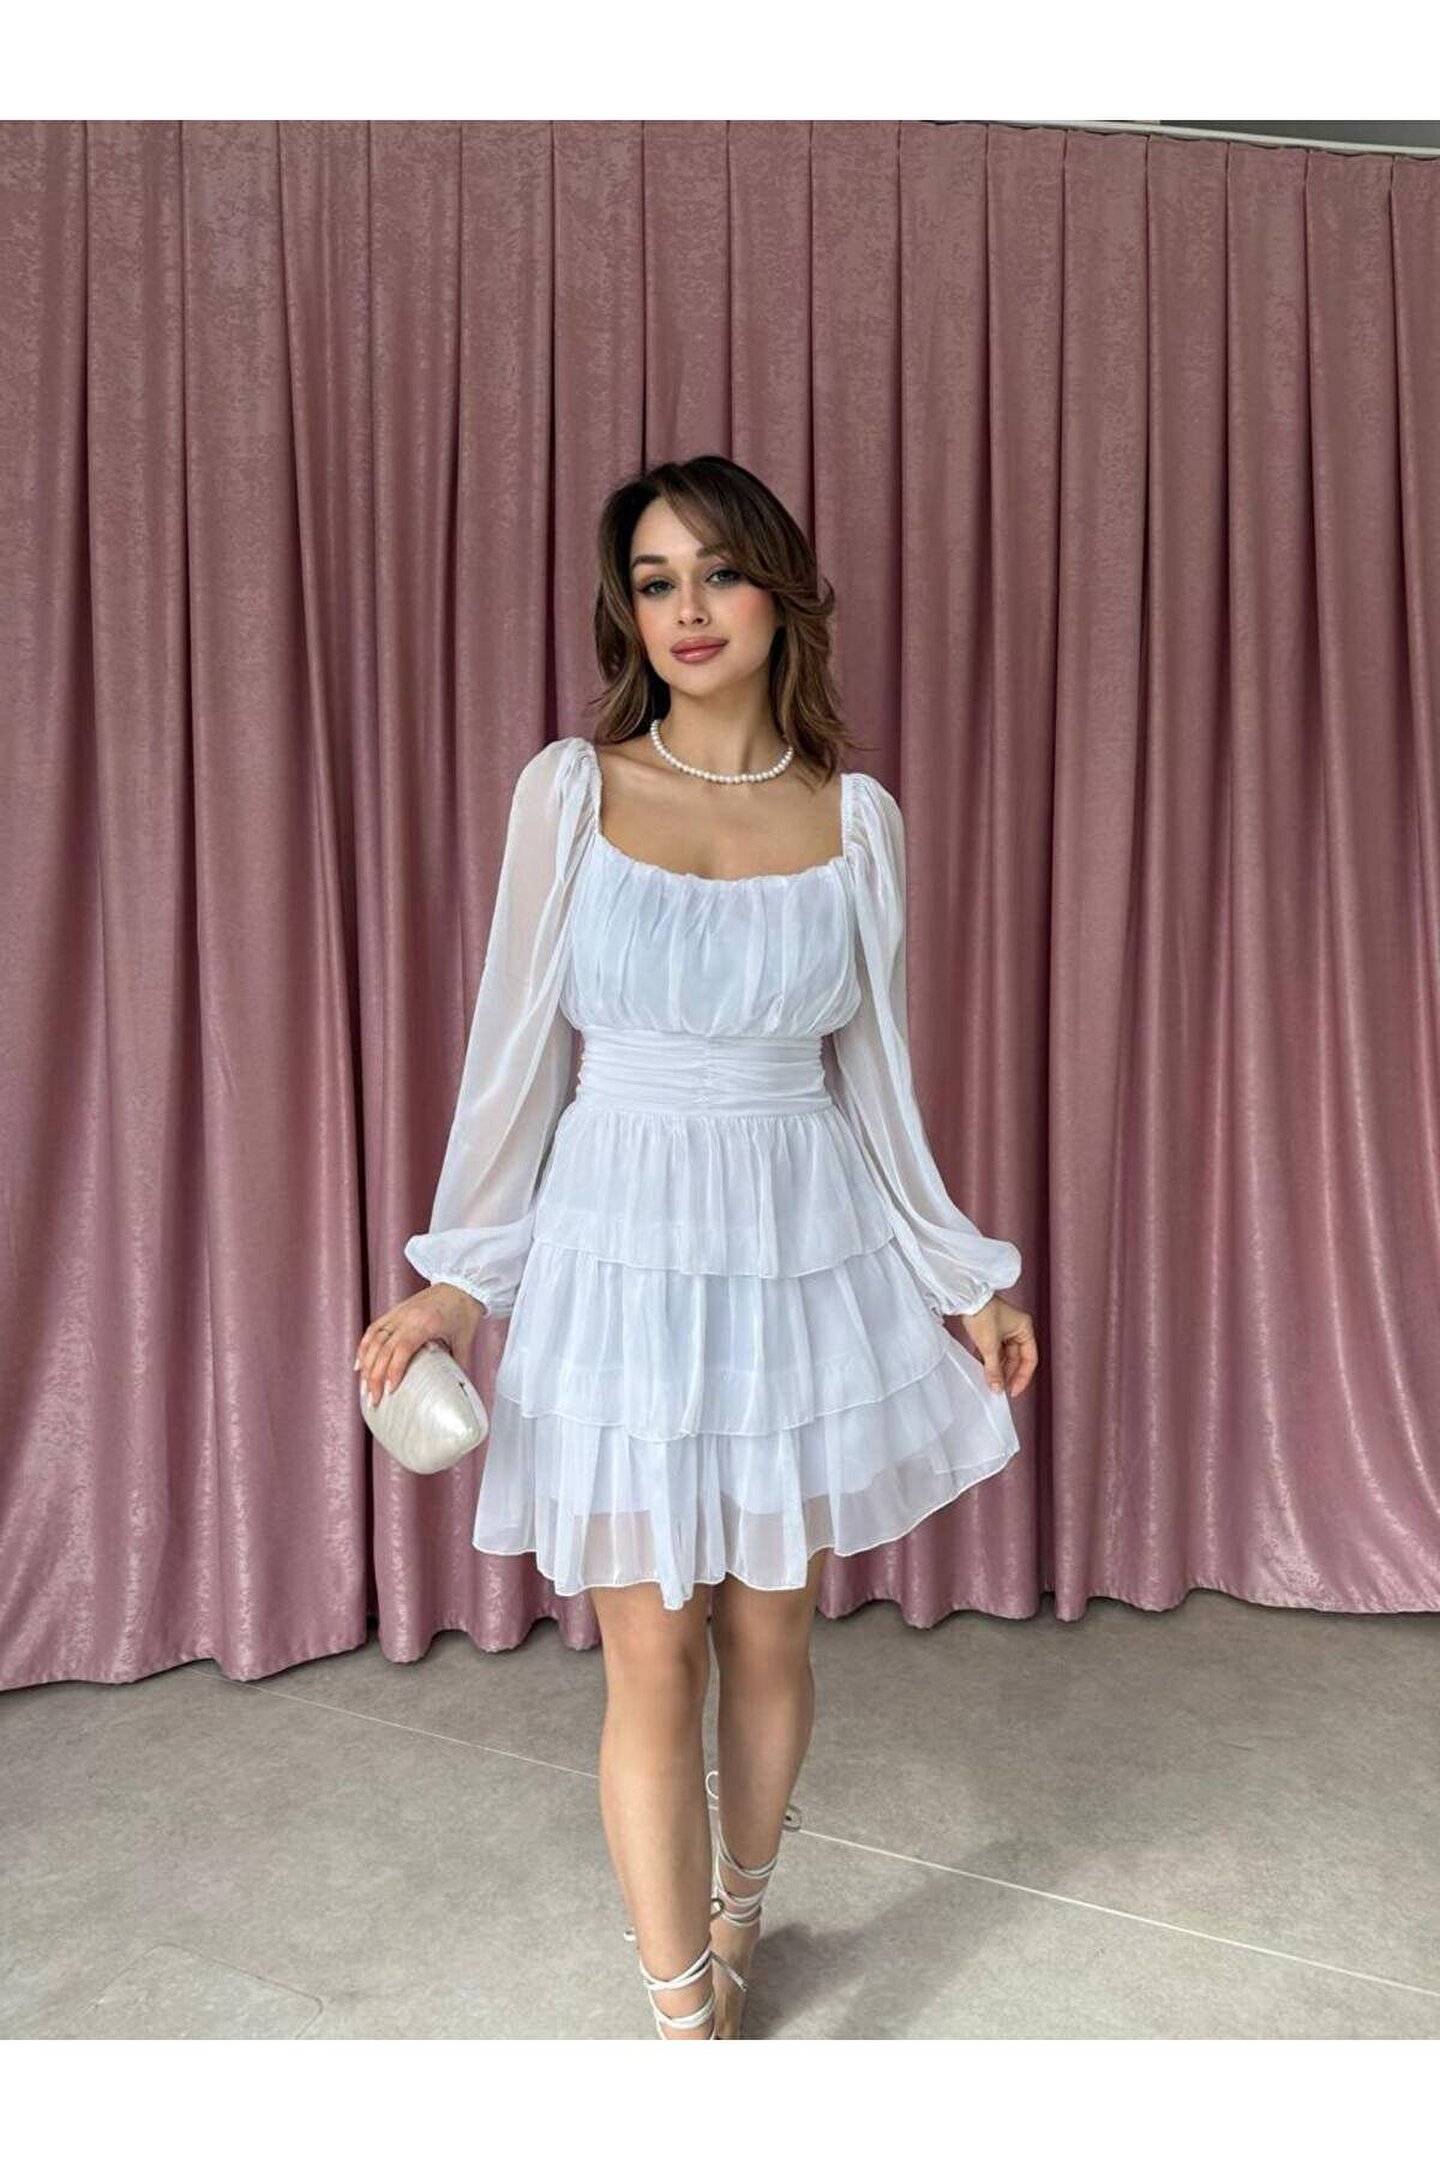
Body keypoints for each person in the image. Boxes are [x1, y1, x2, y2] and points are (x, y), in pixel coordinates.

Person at [355, 454, 1039, 2041]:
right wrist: (461, 1281)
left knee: (769, 1632)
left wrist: (964, 1275)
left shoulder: (857, 820)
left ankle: (742, 1915)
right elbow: (513, 1058)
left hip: (799, 1244)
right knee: (649, 1652)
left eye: (717, 572)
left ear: (779, 592)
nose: (687, 609)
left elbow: (879, 1081)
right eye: (655, 581)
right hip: (619, 1249)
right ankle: (690, 2036)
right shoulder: (569, 791)